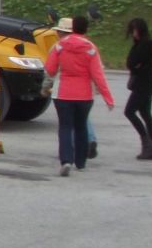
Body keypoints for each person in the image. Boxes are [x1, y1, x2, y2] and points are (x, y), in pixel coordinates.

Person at [45, 14, 114, 176]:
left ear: (72, 27)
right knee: (81, 126)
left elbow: (50, 69)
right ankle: (81, 161)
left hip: (63, 93)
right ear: (86, 29)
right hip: (84, 94)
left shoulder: (59, 46)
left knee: (65, 127)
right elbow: (98, 75)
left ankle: (66, 160)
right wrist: (107, 97)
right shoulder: (90, 48)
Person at [42, 18, 99, 158]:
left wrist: (45, 88)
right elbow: (96, 69)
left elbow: (50, 71)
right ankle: (89, 141)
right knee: (82, 119)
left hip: (64, 89)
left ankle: (70, 152)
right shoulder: (88, 46)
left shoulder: (57, 47)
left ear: (61, 32)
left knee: (67, 124)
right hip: (85, 89)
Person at [124, 17, 152, 160]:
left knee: (129, 111)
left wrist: (135, 66)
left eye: (133, 30)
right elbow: (132, 63)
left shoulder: (146, 44)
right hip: (146, 83)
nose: (132, 33)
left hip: (144, 84)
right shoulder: (141, 44)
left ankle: (147, 143)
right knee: (145, 113)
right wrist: (134, 65)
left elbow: (134, 62)